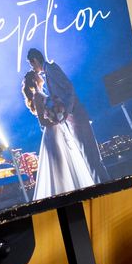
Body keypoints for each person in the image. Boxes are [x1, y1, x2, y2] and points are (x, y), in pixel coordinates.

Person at [26, 48, 109, 183]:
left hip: (76, 117)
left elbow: (69, 88)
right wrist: (62, 115)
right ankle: (99, 183)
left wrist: (66, 112)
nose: (32, 68)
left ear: (35, 60)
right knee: (86, 157)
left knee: (91, 156)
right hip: (70, 121)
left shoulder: (51, 68)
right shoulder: (47, 73)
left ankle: (104, 183)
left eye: (31, 64)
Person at [22, 70, 95, 199]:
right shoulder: (37, 96)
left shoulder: (41, 94)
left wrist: (59, 118)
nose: (40, 75)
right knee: (60, 167)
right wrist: (57, 120)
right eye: (37, 74)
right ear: (35, 79)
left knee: (68, 162)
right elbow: (42, 121)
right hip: (52, 134)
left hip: (59, 130)